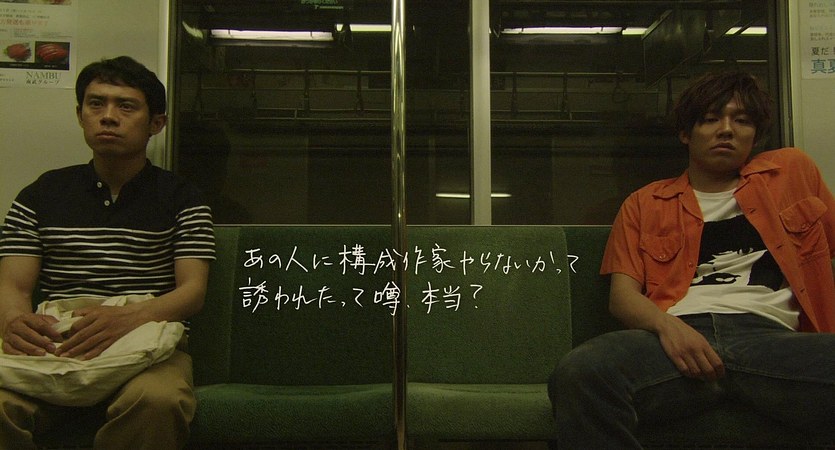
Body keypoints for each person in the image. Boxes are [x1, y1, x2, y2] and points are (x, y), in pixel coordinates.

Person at [548, 71, 835, 448]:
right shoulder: (645, 203)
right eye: (711, 119)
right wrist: (669, 329)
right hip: (675, 340)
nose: (726, 130)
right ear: (686, 133)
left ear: (755, 135)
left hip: (771, 340)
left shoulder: (791, 174)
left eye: (742, 120)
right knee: (581, 372)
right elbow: (622, 297)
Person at [0, 56, 215, 449]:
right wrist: (16, 323)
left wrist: (127, 318)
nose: (108, 117)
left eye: (126, 106)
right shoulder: (40, 195)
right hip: (59, 340)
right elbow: (14, 286)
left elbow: (192, 292)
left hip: (148, 340)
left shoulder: (183, 198)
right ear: (80, 115)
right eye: (96, 104)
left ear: (156, 124)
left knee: (158, 401)